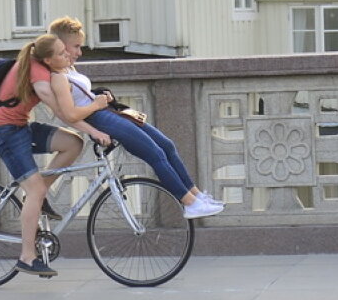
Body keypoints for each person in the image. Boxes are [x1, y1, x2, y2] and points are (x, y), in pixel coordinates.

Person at [45, 16, 224, 219]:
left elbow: (82, 96)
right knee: (154, 153)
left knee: (167, 145)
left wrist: (100, 96)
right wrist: (95, 109)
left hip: (108, 113)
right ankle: (189, 203)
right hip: (101, 118)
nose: (79, 52)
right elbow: (68, 114)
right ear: (60, 45)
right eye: (75, 47)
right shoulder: (58, 77)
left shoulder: (68, 67)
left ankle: (197, 196)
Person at [0, 34, 111, 277]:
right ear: (47, 59)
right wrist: (95, 123)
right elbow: (66, 114)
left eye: (67, 51)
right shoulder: (41, 81)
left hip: (20, 128)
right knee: (35, 190)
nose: (68, 56)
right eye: (62, 54)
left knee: (73, 143)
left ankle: (37, 195)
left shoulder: (44, 67)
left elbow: (69, 115)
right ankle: (27, 257)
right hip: (4, 133)